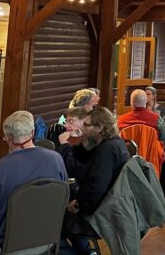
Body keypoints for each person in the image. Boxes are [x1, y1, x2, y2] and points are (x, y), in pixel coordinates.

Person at [0, 111, 66, 253]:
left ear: (8, 137)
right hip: (46, 243)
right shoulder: (56, 159)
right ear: (32, 133)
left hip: (3, 247)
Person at [63, 108, 130, 254]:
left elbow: (97, 186)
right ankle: (85, 251)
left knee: (56, 218)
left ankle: (81, 252)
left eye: (86, 125)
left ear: (99, 128)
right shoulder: (114, 143)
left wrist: (79, 204)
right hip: (113, 206)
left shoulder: (106, 150)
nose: (82, 128)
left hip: (101, 213)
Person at [57, 108, 89, 179]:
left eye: (71, 121)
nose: (66, 126)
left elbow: (74, 168)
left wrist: (64, 145)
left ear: (84, 121)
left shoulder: (89, 142)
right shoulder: (64, 137)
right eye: (66, 122)